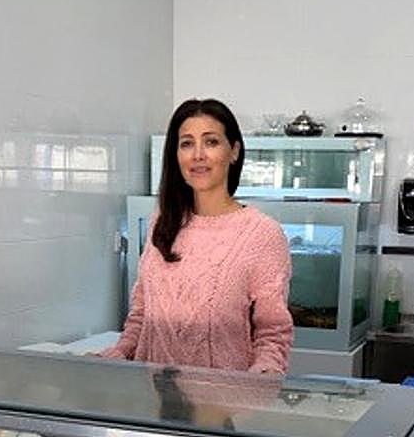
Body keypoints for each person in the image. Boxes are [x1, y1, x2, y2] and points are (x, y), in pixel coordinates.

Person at [100, 98, 293, 374]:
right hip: (150, 393)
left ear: (234, 151)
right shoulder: (162, 223)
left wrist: (264, 374)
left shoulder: (262, 234)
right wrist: (119, 352)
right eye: (187, 143)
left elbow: (272, 333)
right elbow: (142, 313)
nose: (198, 155)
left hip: (223, 396)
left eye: (211, 142)